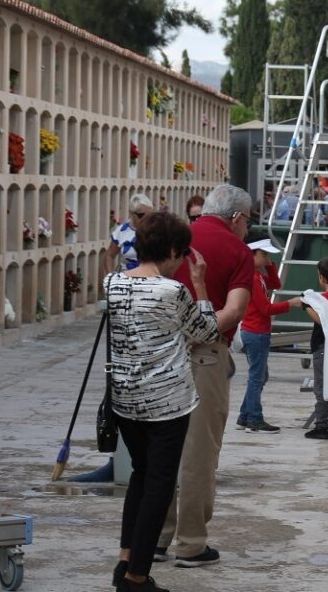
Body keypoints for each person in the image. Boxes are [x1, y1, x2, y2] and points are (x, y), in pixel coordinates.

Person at [106, 211, 221, 592]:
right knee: (159, 484)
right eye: (182, 253)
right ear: (172, 250)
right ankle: (137, 576)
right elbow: (206, 331)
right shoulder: (173, 291)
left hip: (125, 399)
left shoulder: (113, 284)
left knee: (140, 477)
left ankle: (126, 561)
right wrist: (201, 284)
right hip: (168, 402)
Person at [156, 184, 254, 567]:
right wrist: (202, 332)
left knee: (162, 446)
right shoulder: (237, 250)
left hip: (161, 351)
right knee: (198, 451)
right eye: (248, 221)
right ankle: (191, 542)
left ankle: (158, 537)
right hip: (205, 357)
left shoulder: (176, 239)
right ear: (237, 218)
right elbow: (235, 311)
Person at [235, 235, 294, 434]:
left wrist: (269, 265)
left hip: (256, 332)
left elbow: (275, 284)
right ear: (251, 254)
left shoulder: (256, 274)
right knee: (257, 377)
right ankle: (254, 418)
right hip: (256, 332)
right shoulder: (251, 277)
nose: (267, 257)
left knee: (259, 376)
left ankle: (245, 415)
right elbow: (266, 309)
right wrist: (290, 304)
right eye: (264, 254)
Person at [292, 256, 328, 440]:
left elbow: (323, 319)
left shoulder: (325, 299)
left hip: (323, 347)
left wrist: (304, 305)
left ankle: (321, 425)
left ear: (322, 278)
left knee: (321, 387)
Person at [105, 194, 154, 273]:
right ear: (131, 213)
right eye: (141, 215)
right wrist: (110, 278)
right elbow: (110, 255)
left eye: (149, 215)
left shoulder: (157, 229)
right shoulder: (122, 231)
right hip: (126, 280)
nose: (146, 218)